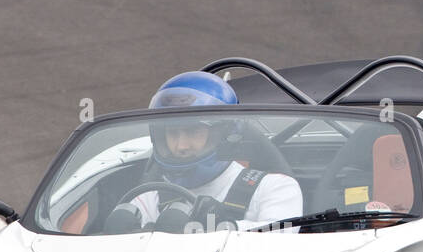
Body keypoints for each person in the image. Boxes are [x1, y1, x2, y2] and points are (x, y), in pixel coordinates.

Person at [105, 71, 302, 232]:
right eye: (172, 133)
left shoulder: (275, 187)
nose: (181, 146)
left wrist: (222, 227)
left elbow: (282, 237)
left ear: (226, 133)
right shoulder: (149, 196)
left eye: (193, 132)